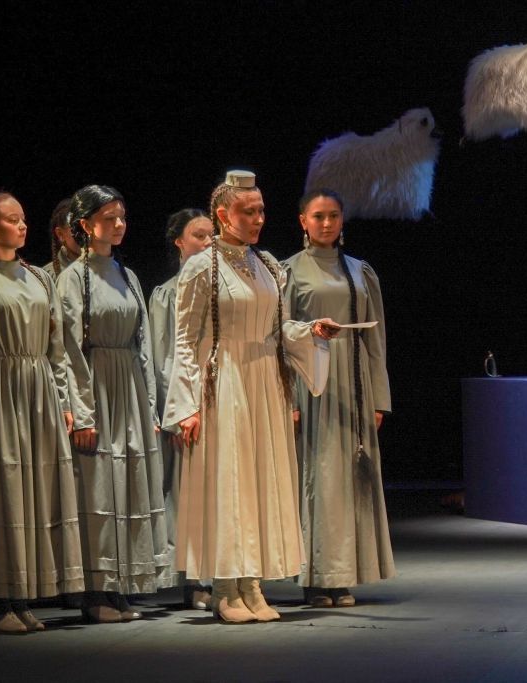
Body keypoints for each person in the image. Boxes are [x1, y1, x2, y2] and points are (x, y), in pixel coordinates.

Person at [161, 170, 339, 623]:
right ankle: (226, 586)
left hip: (263, 382)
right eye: (248, 211)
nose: (259, 218)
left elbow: (275, 331)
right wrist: (186, 406)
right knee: (230, 480)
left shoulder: (269, 265)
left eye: (261, 210)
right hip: (224, 382)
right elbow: (185, 340)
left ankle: (252, 584)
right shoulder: (201, 267)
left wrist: (310, 331)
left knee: (260, 480)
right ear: (223, 215)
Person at [0, 192, 85, 634]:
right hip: (0, 389)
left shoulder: (40, 279)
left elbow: (57, 348)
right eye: (12, 220)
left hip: (38, 391)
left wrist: (64, 401)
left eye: (23, 219)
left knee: (33, 493)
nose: (22, 226)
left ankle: (23, 596)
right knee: (3, 494)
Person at [57, 185, 172, 623]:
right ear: (86, 225)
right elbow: (69, 350)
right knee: (100, 488)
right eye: (109, 218)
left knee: (130, 486)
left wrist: (149, 405)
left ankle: (123, 586)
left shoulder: (128, 275)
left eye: (122, 217)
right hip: (97, 387)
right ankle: (96, 591)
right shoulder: (72, 279)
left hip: (129, 390)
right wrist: (82, 412)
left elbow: (143, 343)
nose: (119, 225)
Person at [283, 189, 395, 607]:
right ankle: (316, 577)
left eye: (333, 215)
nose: (327, 223)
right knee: (319, 477)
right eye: (318, 216)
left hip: (354, 383)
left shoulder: (359, 271)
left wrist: (379, 397)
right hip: (312, 382)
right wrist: (290, 400)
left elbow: (376, 340)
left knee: (350, 478)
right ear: (303, 221)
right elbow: (280, 336)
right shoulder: (289, 271)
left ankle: (344, 574)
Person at [148, 208, 213, 609]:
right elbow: (162, 359)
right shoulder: (168, 294)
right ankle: (195, 580)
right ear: (179, 242)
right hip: (187, 405)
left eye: (211, 235)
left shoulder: (223, 287)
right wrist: (175, 412)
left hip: (221, 399)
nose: (207, 242)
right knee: (188, 493)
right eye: (198, 236)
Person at [43, 197, 81, 279]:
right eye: (77, 228)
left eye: (88, 226)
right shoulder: (47, 276)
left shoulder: (106, 269)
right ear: (60, 234)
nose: (85, 234)